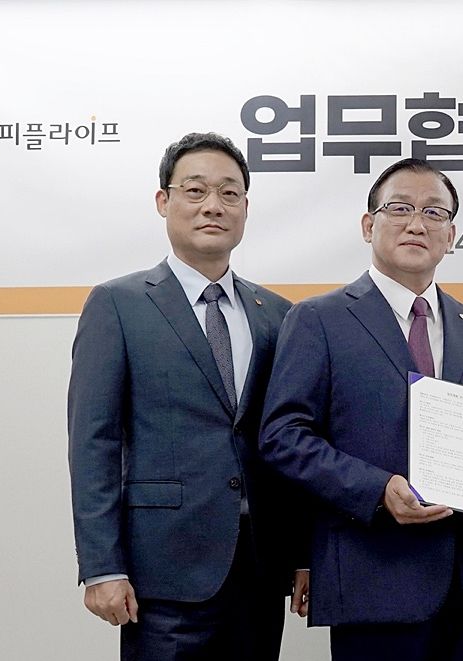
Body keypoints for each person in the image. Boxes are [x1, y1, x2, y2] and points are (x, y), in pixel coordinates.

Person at [259, 158, 463, 661]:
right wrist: (376, 490)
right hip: (371, 579)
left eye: (434, 212)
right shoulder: (318, 319)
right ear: (369, 225)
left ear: (452, 235)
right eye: (400, 208)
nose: (417, 223)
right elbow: (283, 436)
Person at [68, 131, 298, 660]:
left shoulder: (278, 314)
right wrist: (102, 566)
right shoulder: (118, 304)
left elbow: (288, 441)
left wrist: (302, 554)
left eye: (229, 193)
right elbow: (93, 442)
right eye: (195, 191)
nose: (213, 206)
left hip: (259, 566)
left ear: (245, 207)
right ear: (163, 201)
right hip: (161, 568)